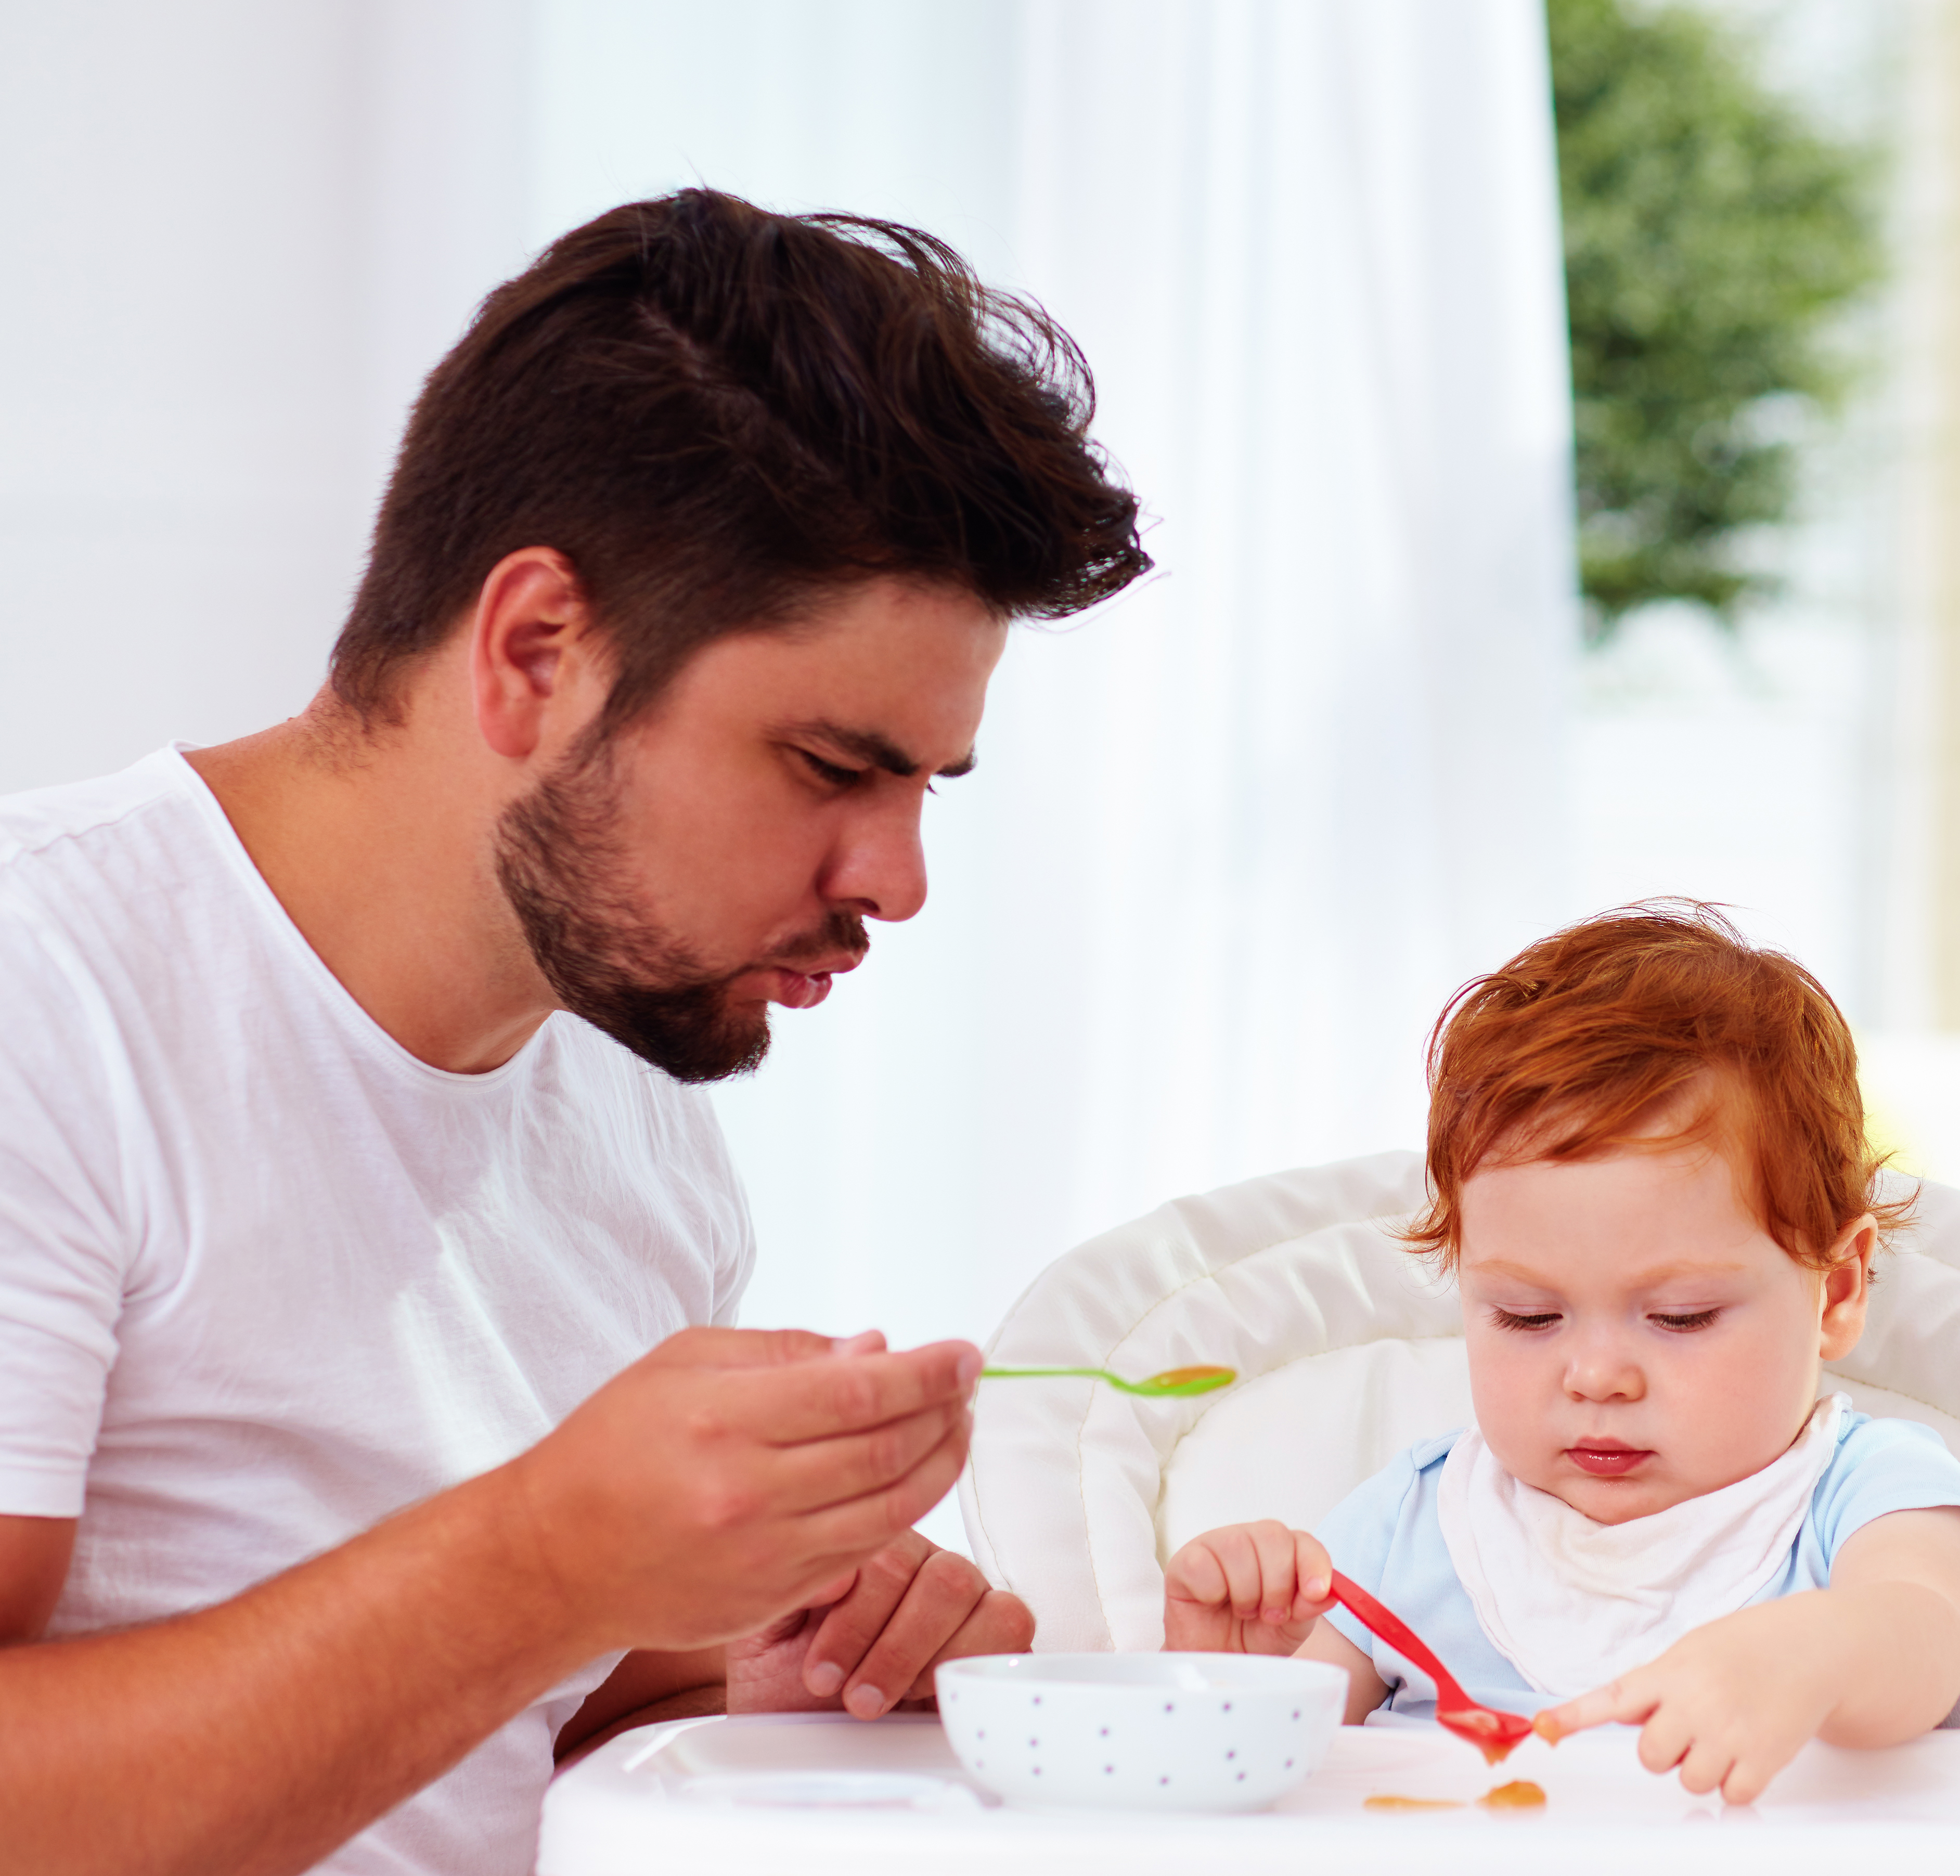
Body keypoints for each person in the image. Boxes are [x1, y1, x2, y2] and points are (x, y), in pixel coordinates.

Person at [0, 189, 1150, 1875]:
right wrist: (549, 1557)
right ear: (537, 649)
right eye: (833, 767)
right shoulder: (49, 993)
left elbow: (514, 1725)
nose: (896, 878)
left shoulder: (630, 1078)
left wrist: (733, 1660)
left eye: (925, 784)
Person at [1159, 904, 1960, 1804]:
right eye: (1530, 1318)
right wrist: (1236, 1685)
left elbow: (1923, 1629)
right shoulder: (1409, 1531)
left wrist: (1815, 1651)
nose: (1597, 1377)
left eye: (1682, 1317)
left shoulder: (1870, 1496)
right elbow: (1261, 1798)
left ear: (1836, 1294)